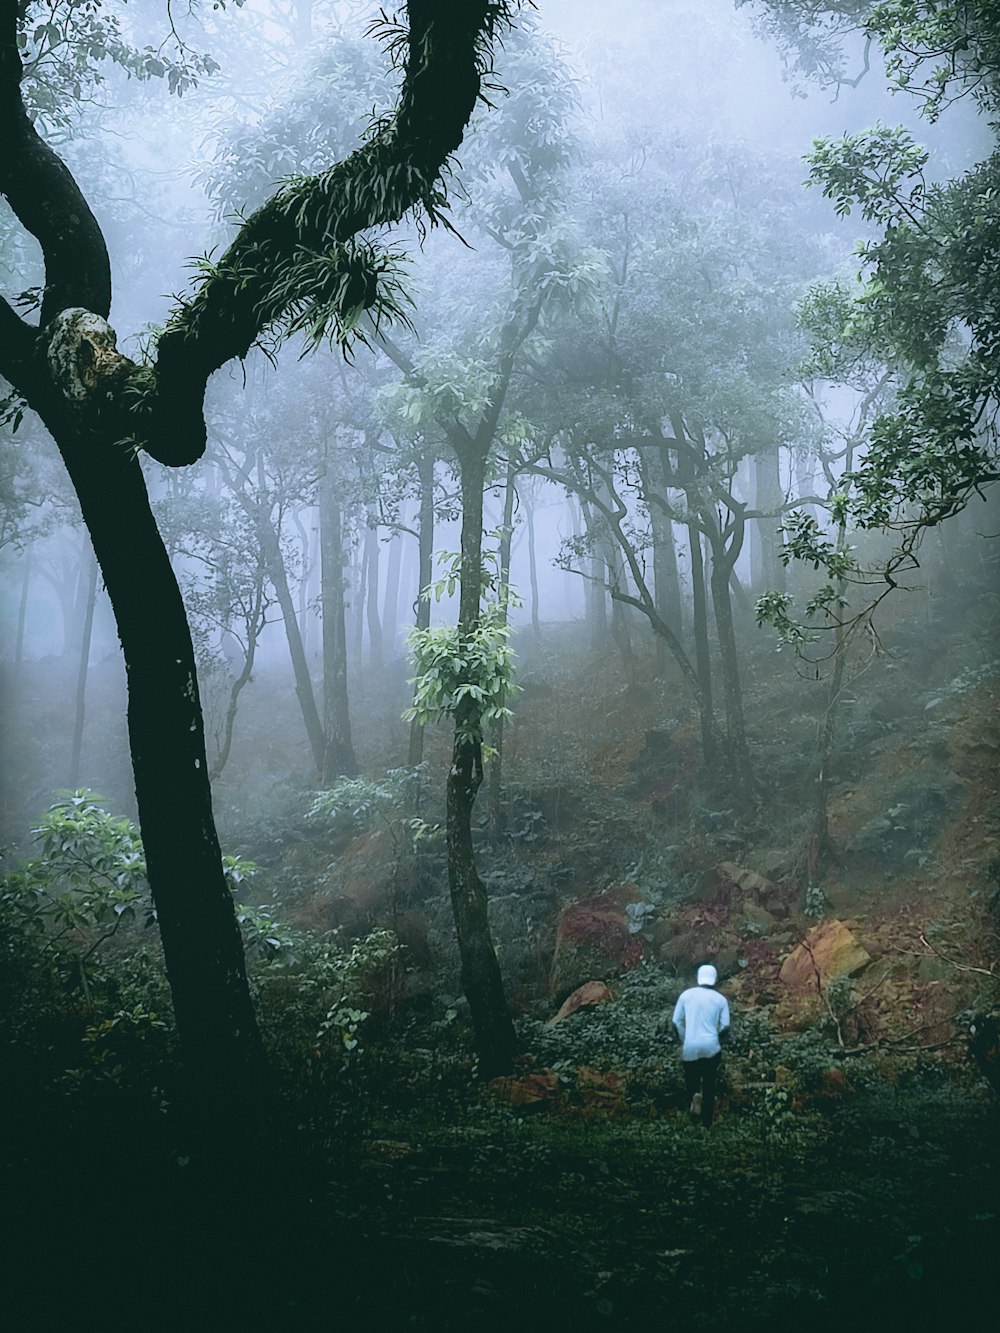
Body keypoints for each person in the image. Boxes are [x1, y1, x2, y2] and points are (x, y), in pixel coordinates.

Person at [672, 963, 730, 1128]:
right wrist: (716, 1039)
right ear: (715, 979)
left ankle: (694, 1098)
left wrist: (685, 1037)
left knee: (692, 1080)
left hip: (690, 1046)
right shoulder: (720, 999)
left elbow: (675, 1022)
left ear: (698, 978)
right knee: (709, 1084)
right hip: (711, 1047)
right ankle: (707, 1124)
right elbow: (726, 1027)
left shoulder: (686, 995)